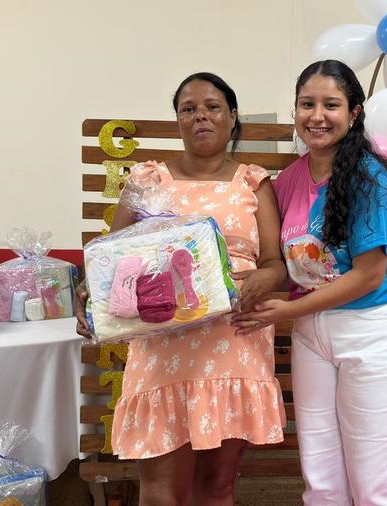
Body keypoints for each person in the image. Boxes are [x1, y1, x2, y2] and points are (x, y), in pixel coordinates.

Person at [74, 72, 287, 506]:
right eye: (188, 109)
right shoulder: (147, 180)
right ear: (178, 120)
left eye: (212, 107)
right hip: (161, 347)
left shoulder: (253, 182)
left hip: (233, 340)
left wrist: (266, 277)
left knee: (217, 487)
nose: (200, 116)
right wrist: (90, 293)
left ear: (232, 117)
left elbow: (274, 263)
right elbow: (110, 259)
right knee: (159, 492)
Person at [232, 60, 387, 505]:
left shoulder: (369, 178)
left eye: (331, 105)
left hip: (374, 333)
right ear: (295, 111)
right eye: (307, 104)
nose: (317, 116)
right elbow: (278, 260)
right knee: (320, 481)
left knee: (373, 485)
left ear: (354, 113)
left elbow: (369, 274)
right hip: (312, 337)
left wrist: (288, 311)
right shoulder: (288, 181)